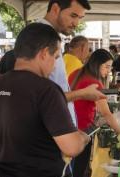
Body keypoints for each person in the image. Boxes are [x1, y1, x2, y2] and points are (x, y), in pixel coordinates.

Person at [0, 23, 91, 177]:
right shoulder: (46, 89)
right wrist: (83, 137)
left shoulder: (1, 83)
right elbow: (71, 147)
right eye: (56, 57)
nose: (55, 66)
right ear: (43, 53)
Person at [39, 0, 106, 128]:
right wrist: (82, 93)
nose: (76, 23)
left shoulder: (51, 38)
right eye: (73, 16)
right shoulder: (42, 38)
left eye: (79, 18)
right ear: (55, 9)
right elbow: (40, 98)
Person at [68, 49, 120, 177]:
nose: (109, 70)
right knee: (78, 170)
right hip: (83, 130)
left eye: (110, 67)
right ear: (97, 64)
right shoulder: (93, 83)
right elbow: (106, 113)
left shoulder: (77, 73)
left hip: (70, 128)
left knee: (71, 170)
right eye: (106, 66)